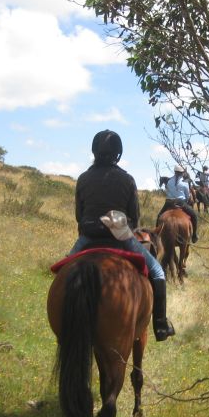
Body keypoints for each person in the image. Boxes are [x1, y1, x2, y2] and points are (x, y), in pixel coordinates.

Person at [70, 130, 175, 341]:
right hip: (120, 235)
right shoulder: (127, 179)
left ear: (94, 151)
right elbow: (134, 218)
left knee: (63, 268)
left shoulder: (83, 178)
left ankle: (66, 324)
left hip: (88, 236)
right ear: (118, 154)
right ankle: (161, 325)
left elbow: (79, 216)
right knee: (157, 272)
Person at [156, 165, 199, 243]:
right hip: (180, 202)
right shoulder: (185, 183)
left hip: (168, 202)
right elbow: (187, 196)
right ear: (182, 173)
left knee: (159, 216)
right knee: (194, 215)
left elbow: (167, 191)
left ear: (174, 172)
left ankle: (156, 235)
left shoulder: (168, 181)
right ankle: (194, 235)